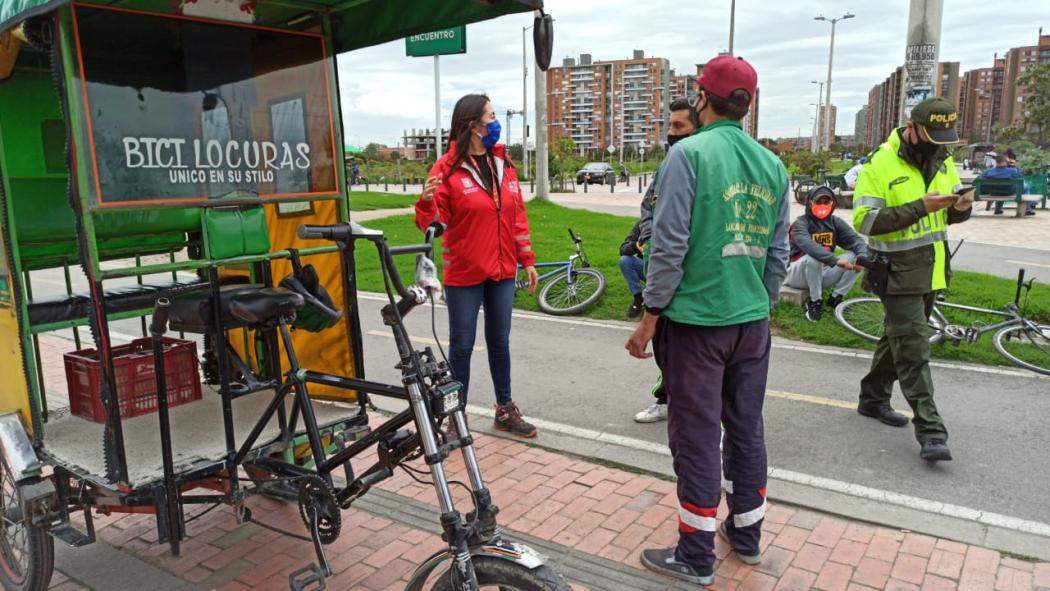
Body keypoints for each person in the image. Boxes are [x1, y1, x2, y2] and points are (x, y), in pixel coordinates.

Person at [626, 55, 790, 586]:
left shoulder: (688, 154)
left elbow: (668, 246)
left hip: (697, 324)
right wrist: (759, 305)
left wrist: (650, 316)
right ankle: (745, 535)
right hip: (751, 323)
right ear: (750, 103)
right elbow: (778, 253)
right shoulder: (774, 165)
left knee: (696, 436)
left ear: (702, 98)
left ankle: (694, 555)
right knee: (746, 427)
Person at [852, 97, 972, 463]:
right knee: (914, 349)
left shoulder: (943, 160)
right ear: (913, 127)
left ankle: (872, 399)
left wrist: (959, 210)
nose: (939, 144)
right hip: (895, 271)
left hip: (932, 269)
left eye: (945, 137)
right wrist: (922, 206)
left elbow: (945, 220)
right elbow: (865, 222)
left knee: (898, 338)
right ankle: (932, 431)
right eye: (933, 135)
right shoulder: (879, 163)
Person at [415, 94, 540, 438]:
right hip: (466, 272)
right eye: (491, 116)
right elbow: (434, 224)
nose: (496, 122)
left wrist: (526, 260)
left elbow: (517, 218)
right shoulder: (447, 167)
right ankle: (456, 417)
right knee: (462, 346)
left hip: (502, 270)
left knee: (499, 342)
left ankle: (504, 409)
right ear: (472, 125)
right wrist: (425, 204)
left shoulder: (504, 163)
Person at [633, 97, 697, 423]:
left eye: (678, 126)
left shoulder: (697, 165)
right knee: (663, 346)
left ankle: (700, 416)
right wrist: (646, 237)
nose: (671, 133)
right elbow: (648, 207)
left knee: (689, 355)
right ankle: (665, 399)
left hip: (687, 279)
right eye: (669, 126)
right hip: (657, 271)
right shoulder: (666, 165)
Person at [785, 186, 867, 321]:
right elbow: (808, 245)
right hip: (796, 276)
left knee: (855, 256)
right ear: (810, 203)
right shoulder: (800, 223)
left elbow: (856, 240)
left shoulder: (835, 222)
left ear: (832, 203)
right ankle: (814, 301)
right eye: (819, 202)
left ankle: (835, 298)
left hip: (822, 274)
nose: (822, 205)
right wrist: (835, 260)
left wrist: (862, 257)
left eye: (826, 202)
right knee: (814, 257)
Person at [618, 221, 647, 319]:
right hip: (647, 267)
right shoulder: (642, 223)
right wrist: (636, 246)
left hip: (667, 271)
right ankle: (638, 297)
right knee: (625, 260)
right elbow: (623, 249)